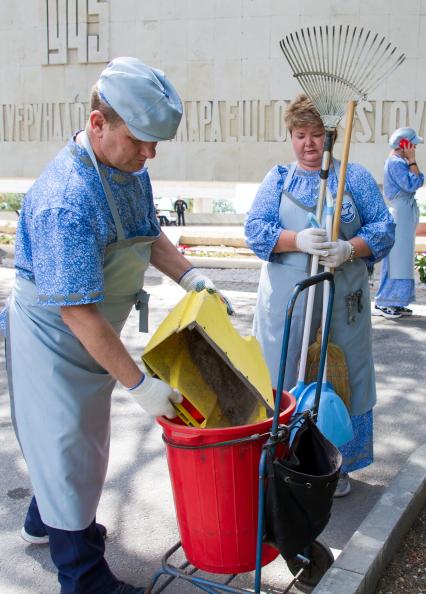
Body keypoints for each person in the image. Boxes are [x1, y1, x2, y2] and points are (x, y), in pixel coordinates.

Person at [1, 57, 232, 594]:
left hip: (93, 333)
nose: (150, 154)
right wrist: (140, 384)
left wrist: (192, 276)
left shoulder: (128, 171)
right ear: (98, 123)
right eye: (141, 140)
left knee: (79, 443)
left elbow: (147, 234)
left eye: (156, 143)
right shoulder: (66, 198)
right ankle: (81, 576)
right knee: (65, 446)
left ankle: (46, 520)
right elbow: (76, 311)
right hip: (54, 339)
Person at [244, 94, 395, 498]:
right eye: (299, 135)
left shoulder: (355, 178)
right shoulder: (278, 179)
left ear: (331, 137)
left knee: (341, 374)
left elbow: (384, 228)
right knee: (284, 373)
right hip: (287, 302)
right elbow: (255, 231)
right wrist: (296, 240)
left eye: (316, 135)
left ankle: (336, 463)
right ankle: (283, 459)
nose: (308, 144)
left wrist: (351, 248)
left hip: (341, 299)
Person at [375, 127, 424, 318]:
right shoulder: (396, 163)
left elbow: (419, 180)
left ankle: (397, 301)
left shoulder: (400, 162)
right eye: (412, 144)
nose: (414, 148)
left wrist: (411, 163)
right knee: (396, 259)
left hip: (405, 212)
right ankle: (385, 302)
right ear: (404, 144)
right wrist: (412, 161)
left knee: (403, 258)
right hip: (400, 213)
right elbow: (414, 183)